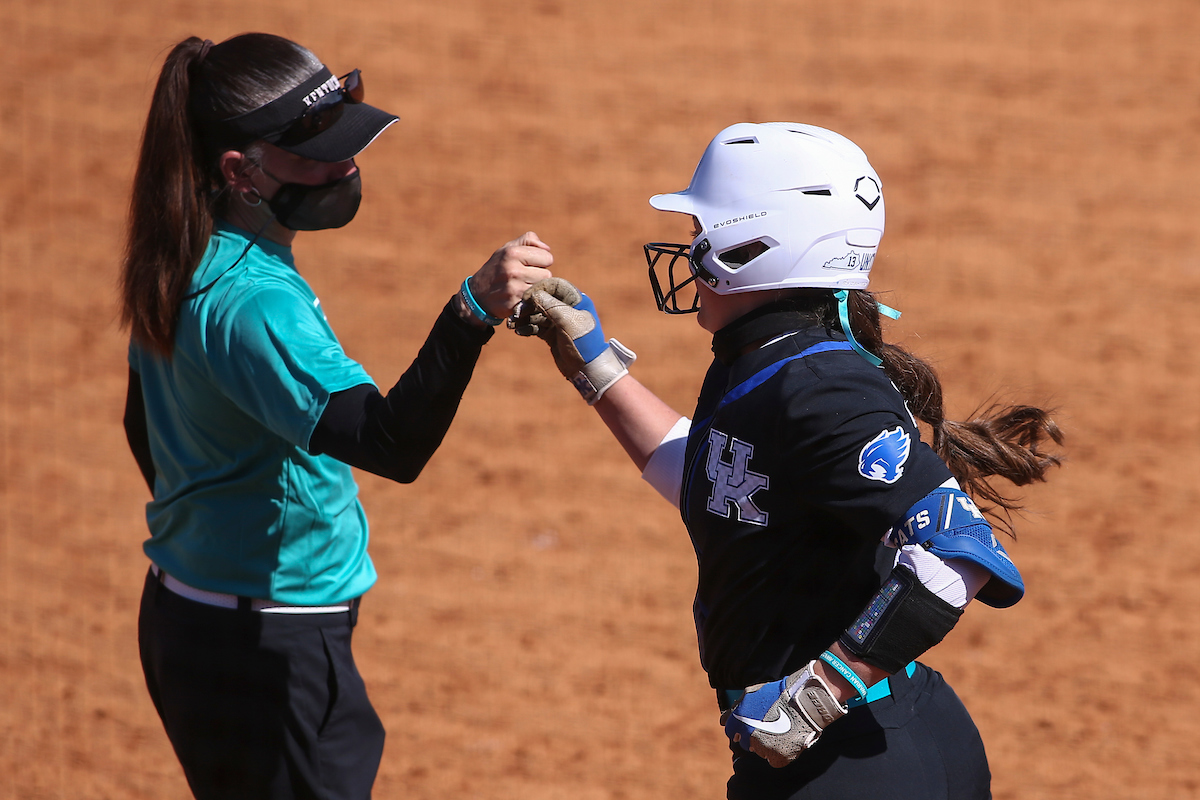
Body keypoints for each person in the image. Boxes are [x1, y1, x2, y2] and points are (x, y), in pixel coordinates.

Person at [513, 122, 1062, 799]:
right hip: (863, 752)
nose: (687, 250)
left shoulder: (820, 387)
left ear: (754, 248)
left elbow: (962, 551)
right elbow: (724, 487)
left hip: (854, 765)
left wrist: (823, 691)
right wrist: (594, 367)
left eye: (700, 231)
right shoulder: (764, 359)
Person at [118, 33, 552, 800]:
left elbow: (140, 424)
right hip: (267, 643)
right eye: (315, 154)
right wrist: (471, 310)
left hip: (194, 611)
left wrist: (219, 524)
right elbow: (389, 443)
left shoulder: (184, 248)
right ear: (241, 171)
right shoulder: (255, 304)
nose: (346, 166)